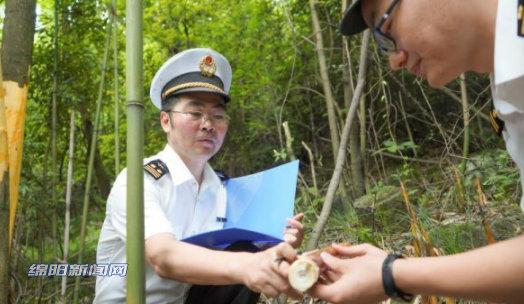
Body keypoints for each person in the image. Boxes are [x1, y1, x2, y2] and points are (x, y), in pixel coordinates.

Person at [310, 0, 524, 303]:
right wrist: (391, 271)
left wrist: (392, 274)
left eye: (385, 30)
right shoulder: (506, 80)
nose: (393, 61)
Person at [94, 48, 304, 303]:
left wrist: (278, 245)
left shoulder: (224, 190)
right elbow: (164, 257)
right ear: (165, 121)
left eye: (217, 115)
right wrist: (250, 264)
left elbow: (241, 261)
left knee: (244, 249)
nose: (208, 124)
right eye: (195, 113)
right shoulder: (139, 181)